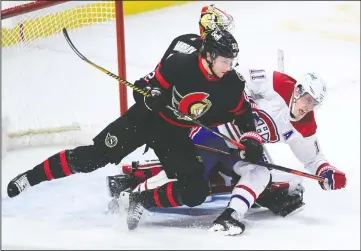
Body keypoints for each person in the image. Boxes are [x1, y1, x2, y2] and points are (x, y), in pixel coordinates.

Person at [7, 29, 265, 232]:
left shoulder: (231, 84)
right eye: (223, 61)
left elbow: (243, 113)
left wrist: (251, 139)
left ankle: (138, 201)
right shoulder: (180, 64)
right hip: (145, 120)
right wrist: (150, 95)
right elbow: (144, 86)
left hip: (174, 134)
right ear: (208, 55)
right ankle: (30, 177)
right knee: (92, 158)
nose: (228, 67)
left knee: (196, 191)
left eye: (232, 61)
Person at [109, 69, 348, 236]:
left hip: (241, 153)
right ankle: (136, 194)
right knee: (192, 186)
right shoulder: (274, 83)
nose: (308, 106)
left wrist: (327, 171)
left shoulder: (305, 126)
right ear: (297, 90)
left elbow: (312, 158)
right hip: (212, 134)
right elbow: (235, 80)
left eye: (314, 103)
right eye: (307, 98)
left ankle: (231, 216)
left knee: (261, 173)